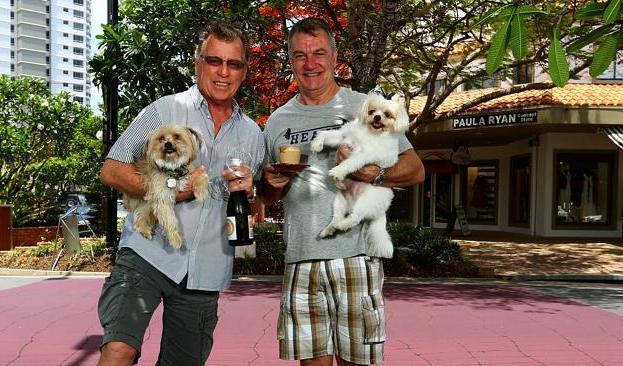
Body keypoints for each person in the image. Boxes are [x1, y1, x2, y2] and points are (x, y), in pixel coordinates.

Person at [97, 21, 264, 366]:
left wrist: (250, 194)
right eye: (214, 61)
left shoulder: (252, 135)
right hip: (148, 253)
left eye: (233, 64)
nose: (223, 72)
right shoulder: (164, 110)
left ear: (244, 71)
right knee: (119, 349)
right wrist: (174, 191)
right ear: (197, 62)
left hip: (206, 268)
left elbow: (250, 206)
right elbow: (112, 170)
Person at [259, 18, 425, 366]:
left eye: (319, 53)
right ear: (289, 60)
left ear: (335, 58)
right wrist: (271, 187)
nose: (310, 63)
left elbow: (415, 169)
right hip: (301, 258)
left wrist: (376, 173)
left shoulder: (366, 106)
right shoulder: (276, 121)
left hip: (356, 256)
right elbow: (268, 197)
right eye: (300, 55)